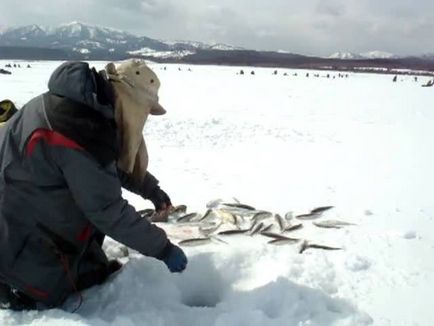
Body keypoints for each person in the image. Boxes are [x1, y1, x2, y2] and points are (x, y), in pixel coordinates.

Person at [0, 59, 187, 311]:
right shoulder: (76, 126)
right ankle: (21, 289)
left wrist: (150, 189)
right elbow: (107, 210)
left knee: (93, 264)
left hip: (18, 218)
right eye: (144, 109)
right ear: (129, 99)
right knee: (58, 283)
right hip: (17, 247)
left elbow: (101, 164)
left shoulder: (74, 106)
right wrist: (163, 249)